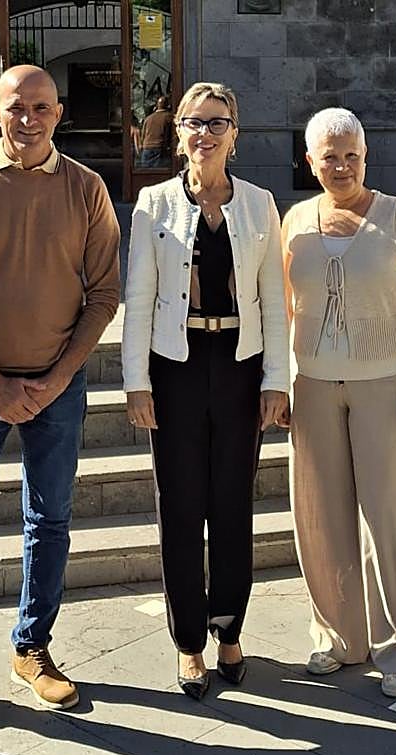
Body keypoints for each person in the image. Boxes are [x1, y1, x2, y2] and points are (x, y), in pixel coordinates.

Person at [0, 65, 120, 736]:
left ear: (59, 113)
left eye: (40, 106)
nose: (28, 117)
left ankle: (31, 648)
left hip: (56, 385)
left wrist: (62, 374)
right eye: (16, 107)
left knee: (50, 522)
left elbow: (103, 295)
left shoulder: (86, 188)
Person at [123, 82, 289, 700]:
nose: (205, 134)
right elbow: (137, 297)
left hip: (241, 364)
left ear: (235, 134)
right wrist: (136, 381)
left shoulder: (259, 204)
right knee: (182, 506)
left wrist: (277, 379)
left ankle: (229, 629)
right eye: (193, 123)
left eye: (217, 123)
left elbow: (274, 298)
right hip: (177, 364)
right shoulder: (153, 205)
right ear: (178, 134)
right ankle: (189, 641)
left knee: (233, 504)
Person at [281, 108, 396, 699]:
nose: (341, 166)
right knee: (320, 518)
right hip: (314, 386)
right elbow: (281, 307)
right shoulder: (293, 220)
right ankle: (341, 637)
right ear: (310, 162)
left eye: (351, 154)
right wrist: (280, 381)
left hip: (387, 385)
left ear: (366, 156)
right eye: (329, 156)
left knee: (391, 518)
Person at [138, 96, 173, 167]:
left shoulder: (148, 119)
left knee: (145, 172)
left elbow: (143, 135)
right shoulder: (168, 117)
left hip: (146, 147)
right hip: (159, 147)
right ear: (168, 105)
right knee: (159, 172)